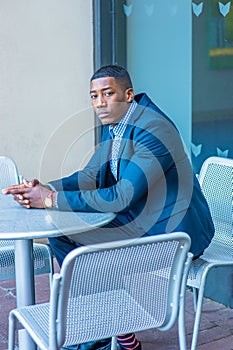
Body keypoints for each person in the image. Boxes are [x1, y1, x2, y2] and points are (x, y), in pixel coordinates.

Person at [3, 65, 215, 350]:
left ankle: (102, 332)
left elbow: (121, 196)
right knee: (64, 234)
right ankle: (111, 326)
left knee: (89, 257)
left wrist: (50, 201)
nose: (100, 103)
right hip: (143, 218)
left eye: (107, 94)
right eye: (94, 96)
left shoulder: (153, 129)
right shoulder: (116, 124)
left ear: (128, 94)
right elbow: (90, 177)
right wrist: (44, 189)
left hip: (172, 233)